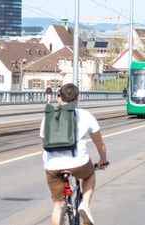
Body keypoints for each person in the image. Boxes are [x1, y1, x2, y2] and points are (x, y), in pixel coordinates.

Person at [40, 83, 109, 225]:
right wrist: (103, 159)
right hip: (79, 163)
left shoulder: (48, 116)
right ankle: (85, 204)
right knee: (89, 175)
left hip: (52, 166)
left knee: (57, 204)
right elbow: (99, 143)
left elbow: (44, 144)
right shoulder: (85, 115)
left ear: (59, 98)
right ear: (78, 100)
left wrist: (50, 161)